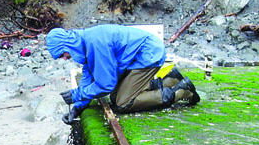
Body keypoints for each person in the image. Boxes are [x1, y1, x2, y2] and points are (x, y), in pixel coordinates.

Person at [46, 24, 200, 124]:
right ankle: (170, 80)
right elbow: (89, 77)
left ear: (66, 45)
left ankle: (180, 91)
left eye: (62, 54)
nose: (65, 58)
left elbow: (106, 85)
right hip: (142, 53)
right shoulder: (85, 43)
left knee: (123, 102)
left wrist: (76, 94)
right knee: (115, 96)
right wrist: (77, 108)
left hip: (148, 54)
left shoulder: (95, 45)